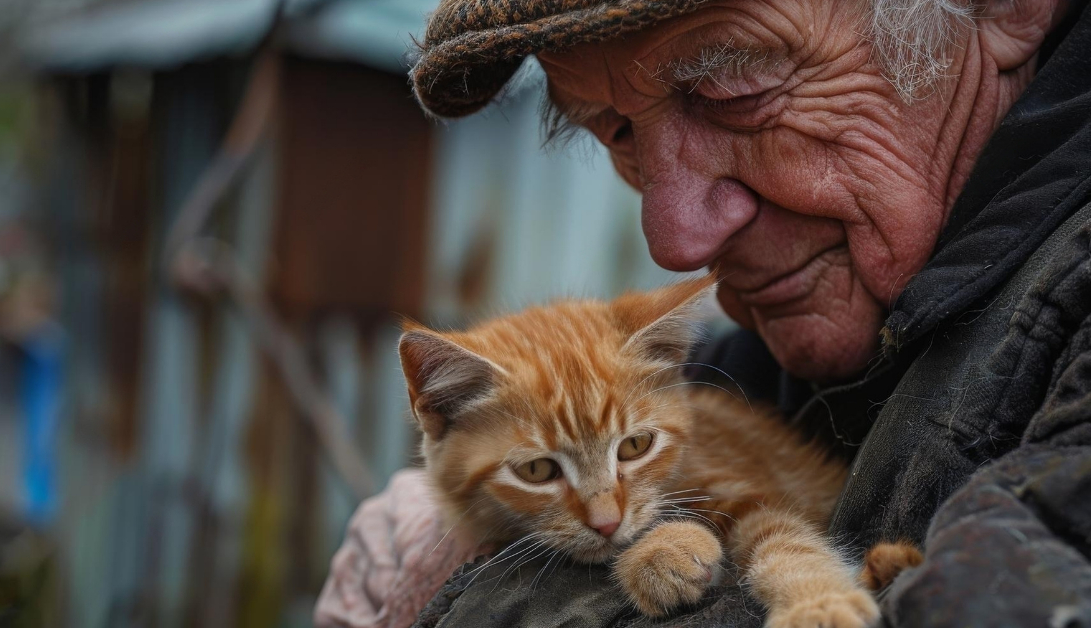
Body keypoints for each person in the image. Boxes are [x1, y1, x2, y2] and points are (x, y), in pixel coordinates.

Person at [317, 0, 1091, 626]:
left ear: (1005, 8)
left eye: (734, 92)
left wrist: (468, 590)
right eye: (615, 131)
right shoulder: (778, 351)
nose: (675, 240)